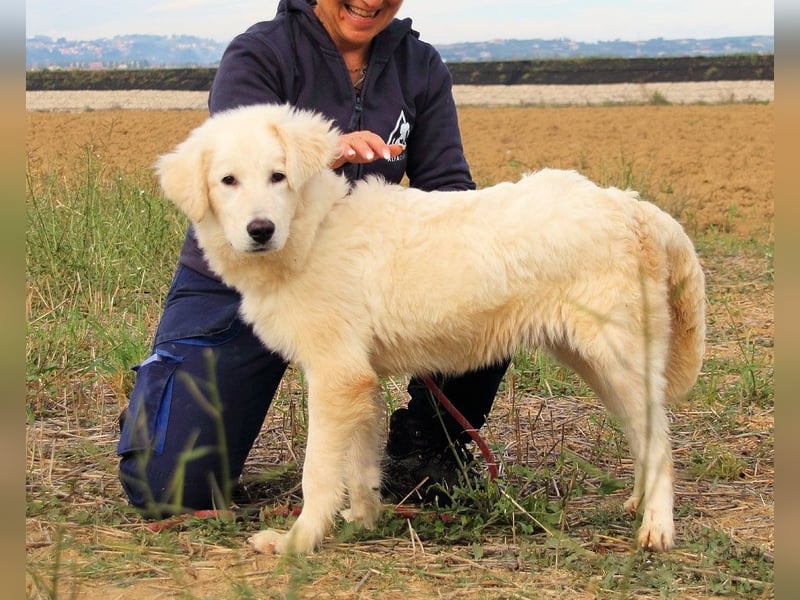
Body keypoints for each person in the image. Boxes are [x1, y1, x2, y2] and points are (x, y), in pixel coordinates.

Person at [117, 0, 509, 517]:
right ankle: (169, 389)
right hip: (243, 281)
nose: (370, 1)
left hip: (355, 278)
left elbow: (450, 191)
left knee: (491, 280)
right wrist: (325, 153)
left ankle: (424, 447)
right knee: (166, 488)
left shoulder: (420, 65)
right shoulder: (260, 54)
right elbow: (238, 165)